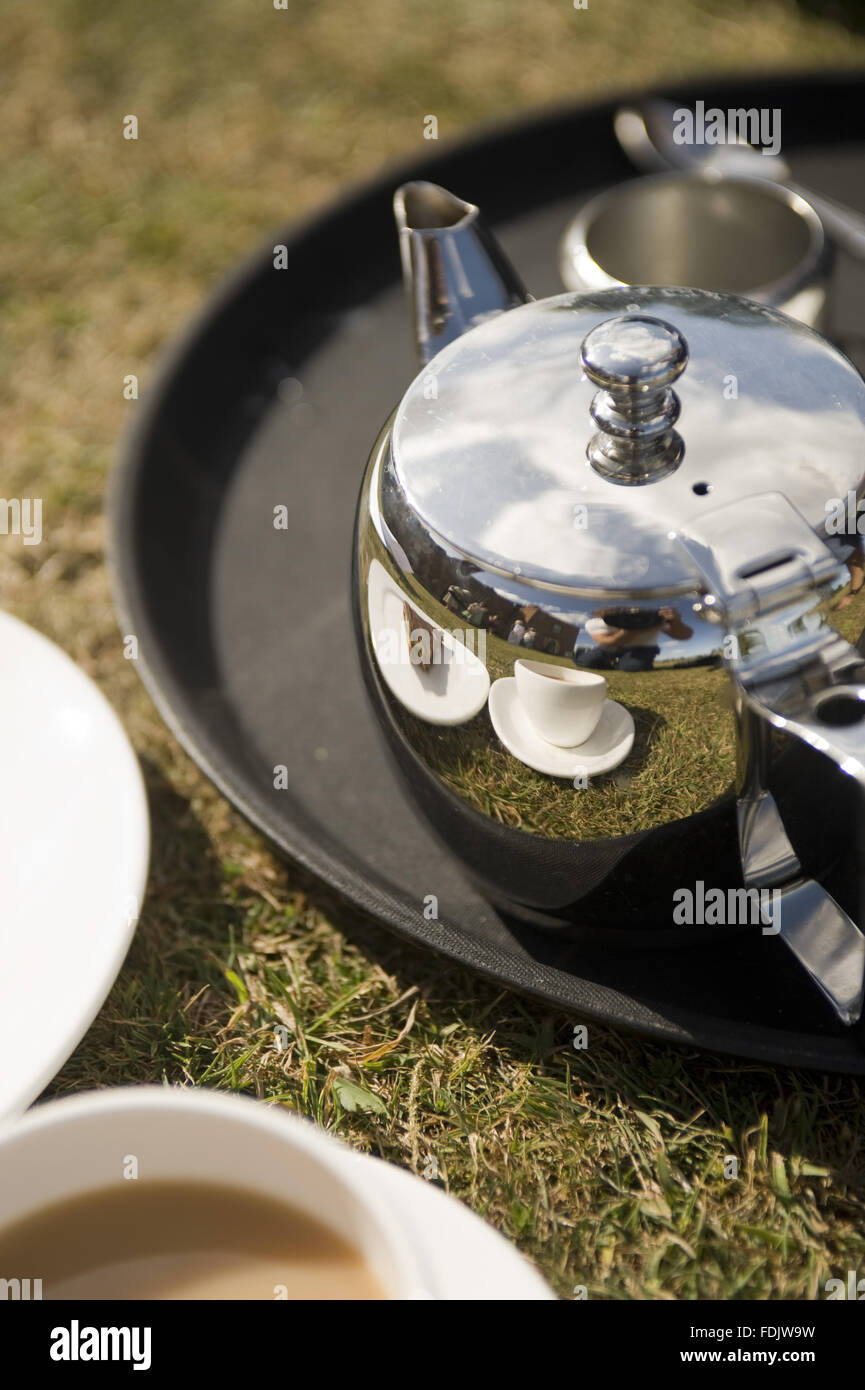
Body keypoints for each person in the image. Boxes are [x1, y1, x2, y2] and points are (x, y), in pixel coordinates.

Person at [579, 606, 693, 672]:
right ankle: (608, 661)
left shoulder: (649, 617)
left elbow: (684, 635)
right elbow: (606, 642)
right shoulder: (594, 623)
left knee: (632, 667)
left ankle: (619, 663)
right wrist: (633, 630)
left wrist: (676, 621)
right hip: (611, 648)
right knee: (585, 661)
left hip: (643, 649)